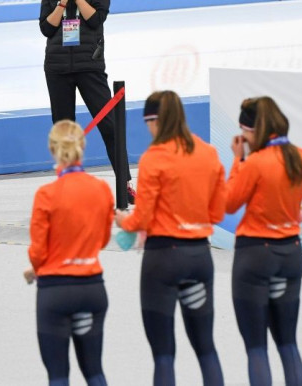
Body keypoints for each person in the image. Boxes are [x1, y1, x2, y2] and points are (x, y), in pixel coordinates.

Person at [115, 91, 226, 386]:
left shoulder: (154, 157)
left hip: (162, 259)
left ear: (156, 120)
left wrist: (124, 220)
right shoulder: (208, 153)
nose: (148, 129)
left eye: (148, 122)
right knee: (206, 348)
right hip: (199, 258)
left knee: (164, 354)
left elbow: (144, 217)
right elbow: (216, 213)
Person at [226, 97, 302, 386]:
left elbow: (229, 203)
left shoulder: (253, 163)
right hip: (291, 253)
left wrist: (237, 160)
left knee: (257, 348)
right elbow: (297, 194)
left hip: (255, 256)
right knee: (288, 344)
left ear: (255, 132)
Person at [39, 0, 134, 203]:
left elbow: (96, 19)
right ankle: (66, 186)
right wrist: (61, 1)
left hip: (88, 65)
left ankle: (124, 184)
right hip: (57, 67)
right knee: (63, 131)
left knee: (110, 126)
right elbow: (46, 28)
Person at [24, 120, 113, 386]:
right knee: (95, 372)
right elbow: (102, 239)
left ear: (52, 149)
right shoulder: (101, 188)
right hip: (91, 288)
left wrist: (38, 266)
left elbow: (38, 253)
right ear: (83, 147)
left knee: (59, 376)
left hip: (56, 293)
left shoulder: (47, 194)